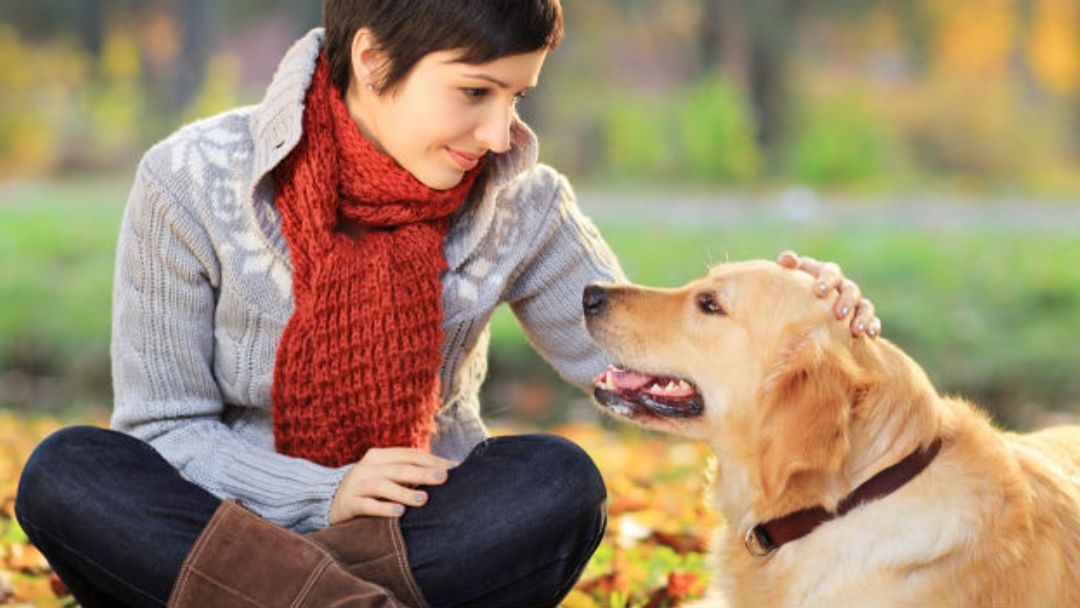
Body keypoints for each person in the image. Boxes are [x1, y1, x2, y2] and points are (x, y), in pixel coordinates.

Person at [14, 1, 881, 607]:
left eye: (516, 97)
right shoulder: (195, 182)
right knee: (70, 476)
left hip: (413, 539)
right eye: (474, 92)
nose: (500, 134)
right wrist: (325, 495)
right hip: (215, 526)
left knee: (556, 485)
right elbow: (165, 430)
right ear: (371, 61)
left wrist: (798, 318)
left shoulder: (521, 202)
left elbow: (635, 362)